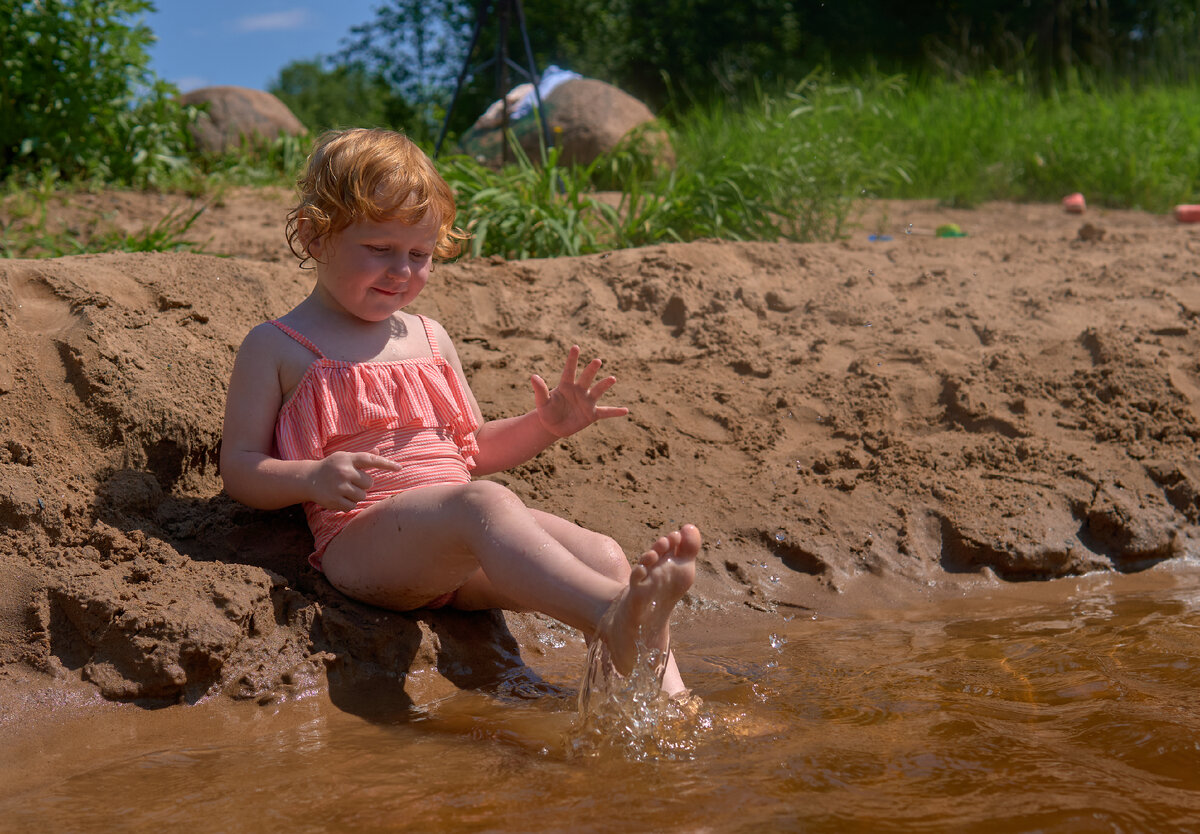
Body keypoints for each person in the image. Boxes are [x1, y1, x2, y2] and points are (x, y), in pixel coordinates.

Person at [220, 128, 700, 696]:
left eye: (419, 255)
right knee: (484, 504)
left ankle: (669, 695)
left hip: (457, 557)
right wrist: (313, 477)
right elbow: (241, 467)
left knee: (602, 552)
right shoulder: (278, 345)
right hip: (365, 548)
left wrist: (543, 425)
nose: (402, 270)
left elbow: (473, 450)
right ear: (315, 236)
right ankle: (609, 615)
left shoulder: (429, 337)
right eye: (380, 250)